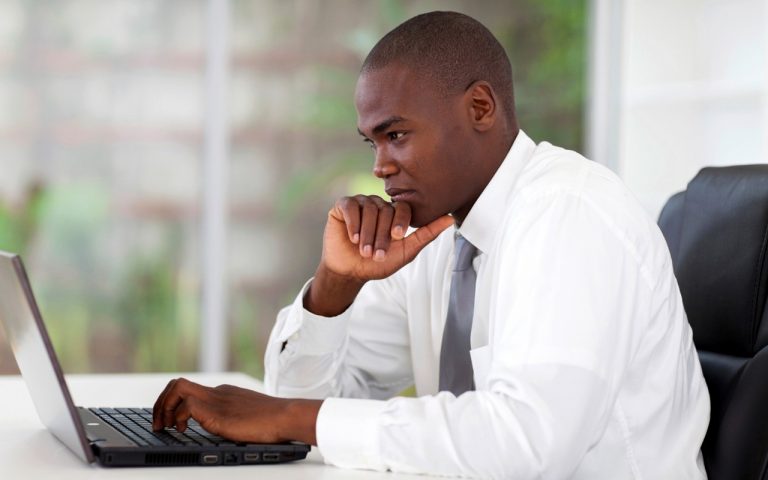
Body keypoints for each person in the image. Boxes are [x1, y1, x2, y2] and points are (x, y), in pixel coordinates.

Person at [152, 11, 710, 479]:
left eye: (396, 135)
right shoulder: (441, 238)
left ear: (480, 108)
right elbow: (298, 405)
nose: (379, 166)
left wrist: (294, 418)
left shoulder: (569, 213)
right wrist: (334, 288)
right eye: (372, 142)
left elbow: (527, 444)